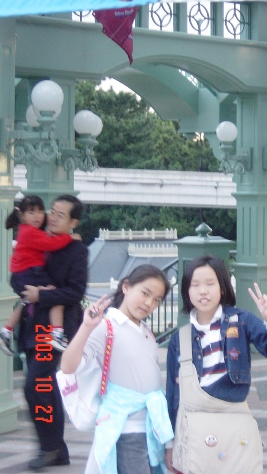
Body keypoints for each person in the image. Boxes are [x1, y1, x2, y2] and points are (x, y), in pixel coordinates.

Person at [165, 254, 267, 469]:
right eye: (195, 285)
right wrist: (170, 443)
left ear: (222, 288)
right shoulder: (180, 339)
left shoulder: (241, 321)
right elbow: (173, 394)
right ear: (187, 291)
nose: (203, 291)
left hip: (233, 426)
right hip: (194, 432)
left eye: (210, 284)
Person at [61, 265, 175, 474]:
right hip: (127, 431)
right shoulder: (106, 326)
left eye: (157, 300)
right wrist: (86, 327)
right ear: (126, 287)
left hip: (151, 430)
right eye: (145, 293)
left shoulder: (146, 331)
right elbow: (68, 366)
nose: (149, 303)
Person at [18, 194, 88, 472]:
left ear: (73, 222)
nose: (53, 217)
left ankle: (49, 448)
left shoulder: (76, 250)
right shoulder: (37, 239)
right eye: (53, 211)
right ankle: (56, 449)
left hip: (55, 329)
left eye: (61, 214)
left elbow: (76, 292)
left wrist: (42, 295)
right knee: (42, 386)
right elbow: (19, 275)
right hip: (32, 325)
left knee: (36, 384)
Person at [0, 195, 80, 356]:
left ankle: (6, 331)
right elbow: (50, 244)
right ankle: (57, 333)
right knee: (55, 295)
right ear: (22, 215)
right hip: (29, 273)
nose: (37, 216)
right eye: (31, 212)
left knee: (25, 301)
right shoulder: (29, 232)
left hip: (22, 274)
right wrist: (70, 237)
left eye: (40, 212)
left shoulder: (28, 231)